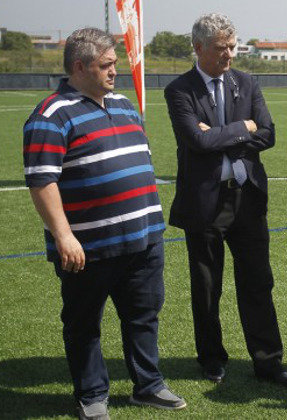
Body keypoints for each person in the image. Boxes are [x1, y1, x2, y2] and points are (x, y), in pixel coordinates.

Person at [22, 28, 186, 419]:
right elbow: (42, 181)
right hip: (88, 248)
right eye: (106, 65)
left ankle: (148, 385)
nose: (116, 71)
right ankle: (91, 394)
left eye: (116, 63)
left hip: (144, 240)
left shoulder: (125, 104)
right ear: (79, 67)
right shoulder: (50, 115)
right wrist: (64, 236)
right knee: (84, 325)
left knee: (144, 317)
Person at [164, 13, 287, 388]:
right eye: (221, 47)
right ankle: (211, 359)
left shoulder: (246, 81)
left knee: (258, 282)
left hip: (248, 199)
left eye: (232, 45)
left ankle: (268, 362)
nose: (229, 54)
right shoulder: (179, 90)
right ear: (199, 47)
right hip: (204, 203)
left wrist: (223, 133)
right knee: (207, 287)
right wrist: (243, 128)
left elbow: (269, 134)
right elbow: (198, 141)